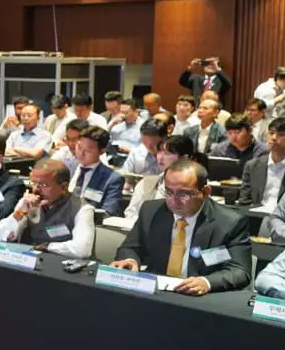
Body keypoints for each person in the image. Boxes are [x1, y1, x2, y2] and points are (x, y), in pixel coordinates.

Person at [111, 160, 251, 295]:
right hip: (155, 291)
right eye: (169, 192)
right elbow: (130, 248)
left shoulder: (229, 222)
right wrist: (129, 261)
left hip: (197, 298)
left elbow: (239, 271)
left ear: (205, 192)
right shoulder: (151, 211)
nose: (173, 200)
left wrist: (206, 282)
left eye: (184, 194)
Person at [0, 159, 95, 258]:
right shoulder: (27, 203)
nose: (36, 189)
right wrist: (20, 212)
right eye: (34, 183)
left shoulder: (82, 209)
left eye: (44, 185)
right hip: (27, 260)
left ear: (63, 187)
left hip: (60, 263)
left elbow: (82, 249)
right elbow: (2, 235)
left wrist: (48, 247)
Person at [124, 134, 195, 220]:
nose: (160, 157)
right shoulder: (147, 183)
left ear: (184, 158)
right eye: (159, 152)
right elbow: (131, 213)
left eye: (166, 153)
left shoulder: (196, 187)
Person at [69, 126, 126, 215]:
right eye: (79, 147)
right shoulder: (68, 167)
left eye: (88, 150)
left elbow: (108, 212)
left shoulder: (113, 179)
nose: (81, 153)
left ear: (102, 151)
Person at [237, 117, 285, 208]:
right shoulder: (252, 166)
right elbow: (244, 201)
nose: (274, 138)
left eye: (281, 134)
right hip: (256, 213)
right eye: (271, 133)